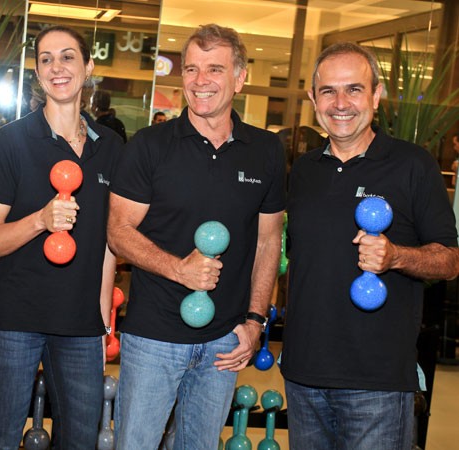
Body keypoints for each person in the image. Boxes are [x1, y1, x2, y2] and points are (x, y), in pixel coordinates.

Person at [108, 23, 286, 449]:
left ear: (240, 78)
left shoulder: (266, 150)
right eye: (191, 69)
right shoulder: (149, 145)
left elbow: (268, 242)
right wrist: (178, 269)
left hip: (225, 340)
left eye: (214, 69)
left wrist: (255, 321)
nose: (199, 81)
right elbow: (117, 232)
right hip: (153, 338)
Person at [280, 42, 459, 450]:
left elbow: (450, 260)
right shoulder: (305, 170)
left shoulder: (413, 165)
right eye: (328, 91)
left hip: (375, 382)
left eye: (354, 89)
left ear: (376, 95)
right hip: (303, 376)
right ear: (313, 99)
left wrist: (396, 256)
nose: (340, 103)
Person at [0, 25, 121, 450]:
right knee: (2, 437)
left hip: (81, 324)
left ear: (88, 66)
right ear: (38, 74)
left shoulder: (111, 147)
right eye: (45, 59)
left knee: (79, 440)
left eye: (67, 56)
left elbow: (109, 245)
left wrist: (101, 322)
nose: (56, 67)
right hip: (15, 320)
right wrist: (40, 219)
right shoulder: (10, 142)